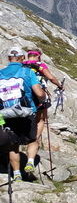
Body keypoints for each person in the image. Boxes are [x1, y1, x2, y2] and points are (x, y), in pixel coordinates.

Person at [0, 47, 46, 182]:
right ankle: (30, 162)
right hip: (26, 112)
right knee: (32, 139)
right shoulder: (27, 72)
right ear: (23, 58)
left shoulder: (1, 73)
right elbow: (39, 94)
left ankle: (17, 174)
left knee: (13, 146)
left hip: (7, 114)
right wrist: (43, 96)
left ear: (9, 59)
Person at [23, 49, 65, 174]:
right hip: (38, 95)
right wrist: (60, 85)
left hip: (24, 96)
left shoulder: (22, 64)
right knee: (41, 119)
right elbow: (51, 78)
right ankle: (35, 137)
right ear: (39, 57)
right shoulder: (40, 65)